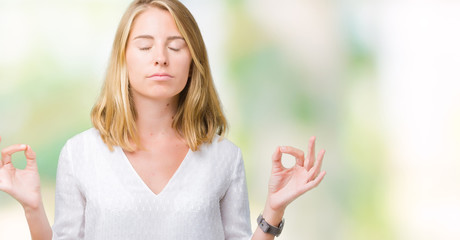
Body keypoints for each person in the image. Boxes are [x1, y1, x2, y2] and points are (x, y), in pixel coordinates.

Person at [0, 0, 326, 239]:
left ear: (193, 60)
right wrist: (32, 207)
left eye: (176, 45)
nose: (161, 57)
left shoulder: (225, 158)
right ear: (123, 60)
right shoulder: (79, 154)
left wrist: (274, 210)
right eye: (145, 46)